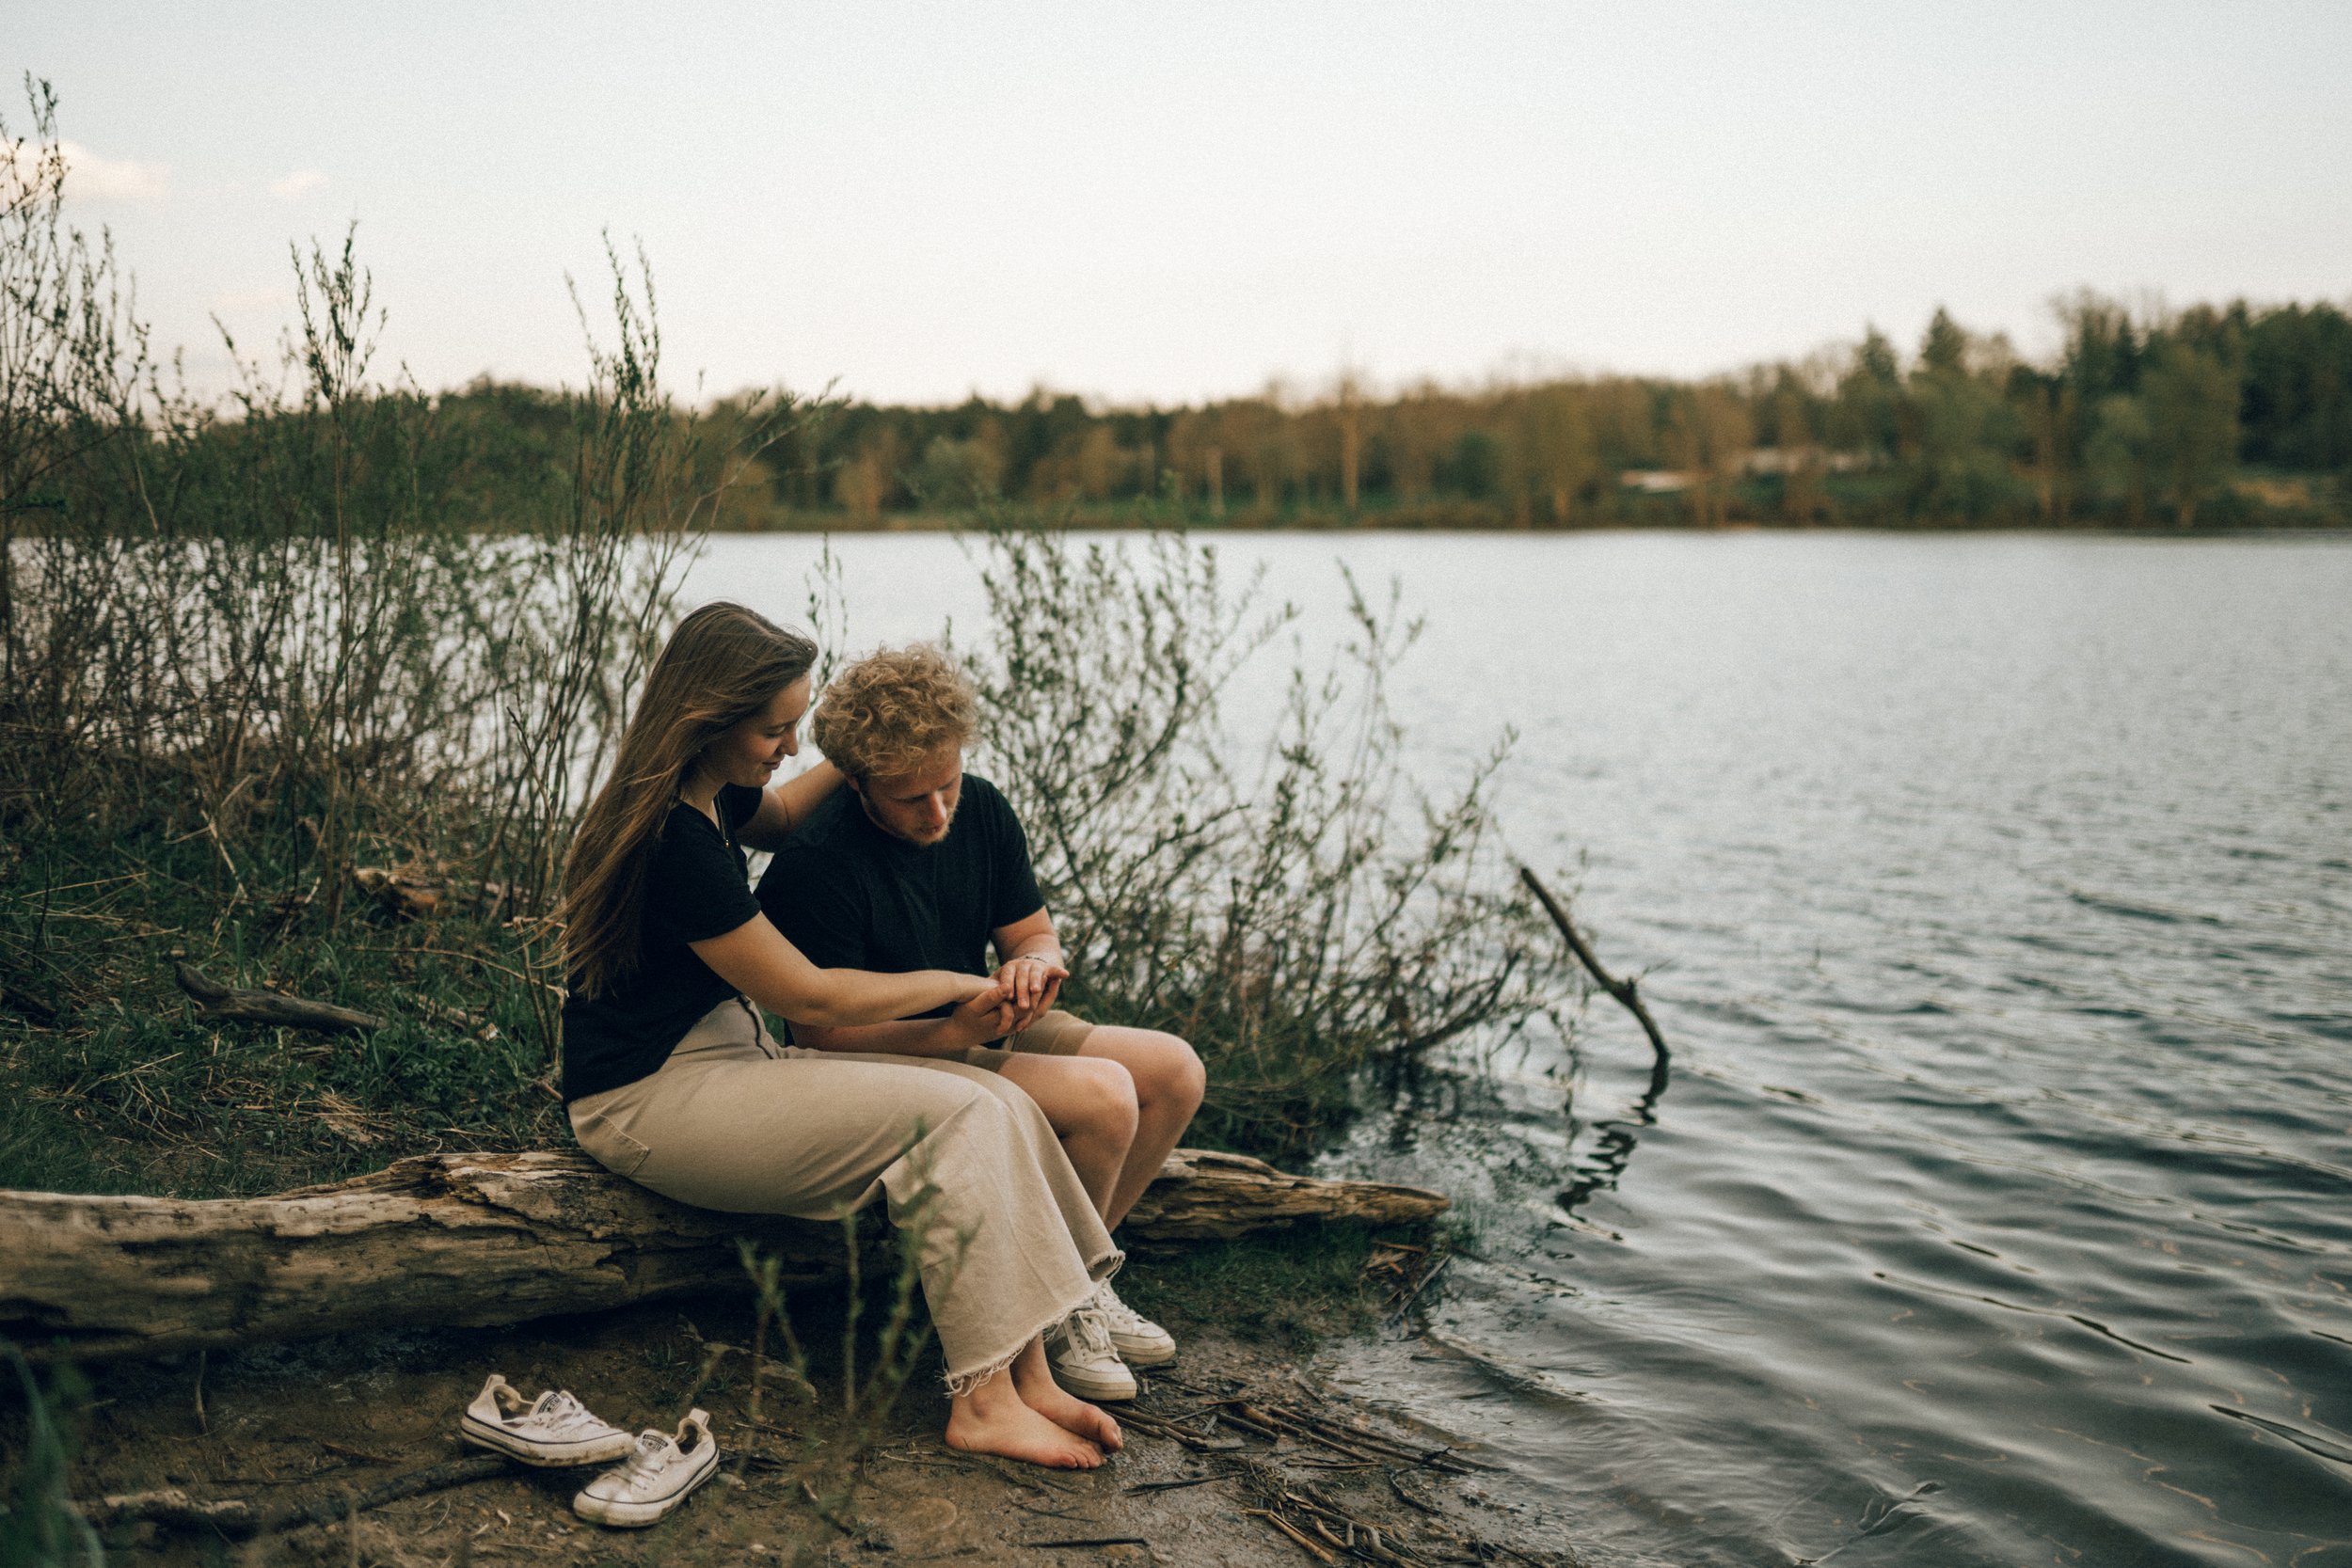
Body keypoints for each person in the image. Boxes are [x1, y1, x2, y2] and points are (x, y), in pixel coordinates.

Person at [557, 601, 1123, 1468]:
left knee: (999, 1096)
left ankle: (1029, 1371)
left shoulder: (717, 792)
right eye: (776, 729)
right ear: (707, 719)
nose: (790, 747)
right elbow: (810, 990)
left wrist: (865, 748)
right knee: (957, 1117)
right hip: (645, 1095)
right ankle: (980, 1400)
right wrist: (963, 985)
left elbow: (780, 814)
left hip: (726, 1054)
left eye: (799, 723)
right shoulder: (672, 839)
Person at [755, 643, 1206, 1402]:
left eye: (948, 783)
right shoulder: (815, 859)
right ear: (858, 781)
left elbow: (1030, 931)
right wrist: (959, 1029)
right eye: (912, 798)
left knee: (1173, 1070)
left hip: (979, 1018)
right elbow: (819, 1038)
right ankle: (1059, 1299)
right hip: (885, 1055)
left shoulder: (983, 807)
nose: (938, 811)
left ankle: (1074, 1287)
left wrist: (1034, 967)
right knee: (1103, 1097)